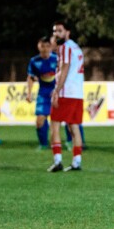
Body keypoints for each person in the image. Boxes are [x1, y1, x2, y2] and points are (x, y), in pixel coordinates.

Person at [48, 21, 85, 172]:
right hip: (77, 93)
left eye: (60, 31)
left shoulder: (65, 47)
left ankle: (57, 161)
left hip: (66, 93)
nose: (56, 34)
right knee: (74, 126)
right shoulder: (76, 47)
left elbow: (65, 68)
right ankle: (77, 161)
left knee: (55, 125)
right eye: (55, 31)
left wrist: (57, 90)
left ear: (67, 32)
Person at [27, 36, 58, 150]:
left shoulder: (57, 59)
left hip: (56, 93)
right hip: (43, 94)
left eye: (47, 46)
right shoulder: (34, 61)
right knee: (39, 121)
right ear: (38, 47)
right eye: (42, 46)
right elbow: (30, 77)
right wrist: (29, 93)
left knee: (60, 121)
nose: (44, 49)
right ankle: (43, 145)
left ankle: (70, 142)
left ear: (50, 47)